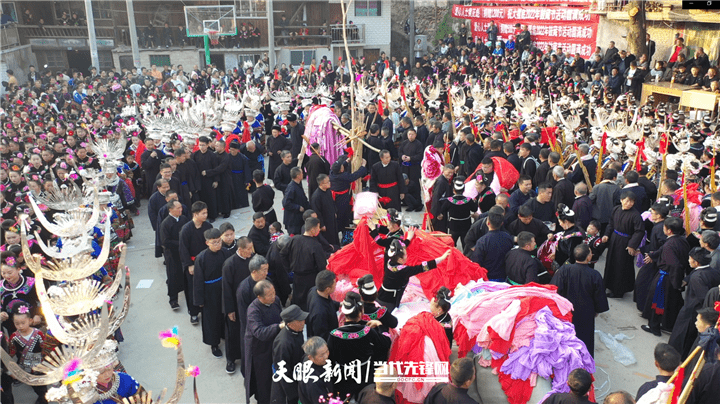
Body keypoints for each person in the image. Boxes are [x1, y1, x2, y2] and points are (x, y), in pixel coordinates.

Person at [328, 292, 392, 399]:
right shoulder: (368, 331)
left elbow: (330, 358)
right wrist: (380, 326)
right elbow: (386, 342)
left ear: (344, 313)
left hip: (343, 377)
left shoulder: (334, 334)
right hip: (364, 376)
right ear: (360, 312)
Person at [551, 244, 609, 357]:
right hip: (586, 313)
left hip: (566, 311)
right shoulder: (594, 275)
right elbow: (599, 297)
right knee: (584, 339)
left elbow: (555, 289)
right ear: (588, 258)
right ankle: (583, 362)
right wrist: (596, 310)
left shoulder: (565, 269)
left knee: (565, 337)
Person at [642, 217, 691, 336]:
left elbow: (674, 264)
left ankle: (654, 327)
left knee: (658, 301)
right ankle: (667, 325)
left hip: (666, 278)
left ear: (668, 230)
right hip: (674, 277)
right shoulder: (682, 240)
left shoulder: (670, 244)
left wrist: (676, 282)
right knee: (671, 302)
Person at [378, 231, 450, 311]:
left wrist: (409, 238)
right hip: (389, 301)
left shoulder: (390, 260)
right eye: (405, 255)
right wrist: (441, 258)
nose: (407, 256)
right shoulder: (402, 270)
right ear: (400, 259)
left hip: (383, 295)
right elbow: (422, 267)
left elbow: (402, 248)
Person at [668, 247, 720, 357]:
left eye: (689, 259)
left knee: (682, 337)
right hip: (699, 310)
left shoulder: (697, 277)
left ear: (696, 262)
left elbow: (703, 297)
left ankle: (678, 357)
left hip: (692, 310)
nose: (688, 260)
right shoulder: (713, 272)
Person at [244, 280, 283, 404]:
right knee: (264, 381)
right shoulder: (253, 310)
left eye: (273, 292)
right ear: (259, 297)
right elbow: (259, 332)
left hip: (275, 344)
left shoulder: (275, 301)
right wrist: (278, 327)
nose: (273, 296)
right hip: (260, 350)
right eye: (269, 295)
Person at [193, 228, 229, 358]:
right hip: (209, 292)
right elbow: (197, 281)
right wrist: (200, 300)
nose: (218, 245)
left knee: (223, 313)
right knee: (211, 318)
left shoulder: (225, 253)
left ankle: (223, 334)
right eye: (214, 242)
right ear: (207, 242)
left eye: (219, 241)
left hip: (223, 287)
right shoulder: (201, 258)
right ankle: (214, 344)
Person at [603, 191, 645, 298]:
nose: (629, 203)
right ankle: (608, 284)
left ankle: (618, 291)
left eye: (632, 201)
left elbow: (639, 231)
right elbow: (611, 223)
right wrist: (607, 235)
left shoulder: (635, 215)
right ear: (621, 200)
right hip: (614, 239)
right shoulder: (616, 209)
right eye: (627, 201)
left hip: (625, 242)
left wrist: (632, 245)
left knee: (621, 265)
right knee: (611, 262)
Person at [221, 236, 254, 374]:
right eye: (248, 249)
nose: (251, 251)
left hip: (250, 301)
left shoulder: (252, 260)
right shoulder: (230, 264)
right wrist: (229, 310)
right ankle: (231, 359)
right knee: (233, 332)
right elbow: (226, 289)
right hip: (234, 303)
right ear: (240, 249)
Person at [283, 217, 327, 310]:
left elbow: (283, 253)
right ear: (313, 229)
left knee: (298, 298)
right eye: (318, 228)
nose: (319, 230)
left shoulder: (294, 239)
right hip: (311, 278)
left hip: (297, 276)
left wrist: (288, 268)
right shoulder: (315, 245)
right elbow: (322, 266)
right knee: (310, 300)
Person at [7, 304, 48, 404]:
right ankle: (41, 396)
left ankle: (43, 398)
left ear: (30, 321)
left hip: (40, 365)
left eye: (23, 323)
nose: (20, 326)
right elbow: (12, 352)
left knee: (42, 385)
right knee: (33, 385)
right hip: (25, 367)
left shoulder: (38, 334)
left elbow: (45, 349)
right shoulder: (14, 337)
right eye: (17, 324)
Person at [635, 203, 669, 312]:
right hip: (653, 256)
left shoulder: (660, 228)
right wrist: (642, 250)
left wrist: (652, 256)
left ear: (659, 216)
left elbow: (663, 246)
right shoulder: (658, 226)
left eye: (653, 213)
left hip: (656, 261)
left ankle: (645, 307)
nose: (651, 215)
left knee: (644, 282)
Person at [270, 304, 307, 404]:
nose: (303, 323)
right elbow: (282, 372)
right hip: (288, 386)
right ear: (289, 324)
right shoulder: (283, 344)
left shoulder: (297, 331)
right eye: (299, 321)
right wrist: (295, 394)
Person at [160, 200, 189, 310]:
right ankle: (173, 300)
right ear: (170, 210)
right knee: (173, 276)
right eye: (178, 208)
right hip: (172, 254)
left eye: (181, 207)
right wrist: (180, 243)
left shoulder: (184, 219)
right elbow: (165, 241)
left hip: (183, 253)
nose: (180, 210)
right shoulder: (165, 224)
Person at [330, 154, 368, 239]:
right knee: (343, 216)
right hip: (342, 198)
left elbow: (341, 166)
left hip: (335, 198)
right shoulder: (343, 176)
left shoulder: (332, 173)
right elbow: (355, 175)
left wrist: (347, 161)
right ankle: (344, 236)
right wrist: (363, 166)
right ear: (340, 170)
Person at [472, 213, 514, 281]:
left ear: (488, 223)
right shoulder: (507, 238)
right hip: (504, 275)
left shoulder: (482, 241)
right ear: (502, 223)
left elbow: (476, 261)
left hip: (488, 277)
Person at [441, 177, 476, 248]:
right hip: (466, 226)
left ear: (454, 190)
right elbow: (474, 209)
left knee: (451, 246)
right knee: (465, 245)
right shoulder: (468, 200)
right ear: (463, 190)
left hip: (453, 226)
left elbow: (442, 210)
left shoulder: (449, 200)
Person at [306, 270, 340, 341]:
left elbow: (328, 302)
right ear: (327, 289)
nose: (335, 285)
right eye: (334, 283)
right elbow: (322, 337)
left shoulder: (314, 290)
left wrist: (340, 304)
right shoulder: (320, 313)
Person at [192, 136, 220, 221]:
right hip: (199, 180)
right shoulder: (195, 155)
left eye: (203, 145)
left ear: (207, 145)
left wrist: (216, 180)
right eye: (200, 145)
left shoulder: (212, 155)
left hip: (209, 180)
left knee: (211, 198)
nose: (201, 147)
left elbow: (216, 168)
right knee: (201, 198)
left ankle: (212, 215)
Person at [298, 337, 332, 404]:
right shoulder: (312, 382)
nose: (326, 356)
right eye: (321, 355)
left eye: (327, 351)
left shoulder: (314, 361)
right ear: (311, 357)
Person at [590, 169, 621, 234]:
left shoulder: (597, 187)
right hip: (609, 217)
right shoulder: (617, 189)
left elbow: (590, 200)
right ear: (614, 178)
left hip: (596, 216)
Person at [311, 174, 339, 246]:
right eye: (327, 182)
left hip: (332, 218)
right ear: (321, 184)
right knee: (329, 238)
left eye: (329, 181)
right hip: (325, 221)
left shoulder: (328, 190)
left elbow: (332, 202)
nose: (329, 183)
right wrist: (322, 225)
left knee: (335, 235)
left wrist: (334, 211)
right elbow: (317, 212)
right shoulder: (316, 196)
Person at [283, 167, 310, 235]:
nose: (303, 174)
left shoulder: (298, 184)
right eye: (302, 173)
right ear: (298, 176)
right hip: (293, 221)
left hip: (298, 218)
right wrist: (298, 207)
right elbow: (286, 203)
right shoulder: (292, 188)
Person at [228, 141, 251, 209]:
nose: (232, 151)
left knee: (241, 191)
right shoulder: (227, 156)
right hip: (231, 176)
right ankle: (234, 205)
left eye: (234, 150)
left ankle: (242, 204)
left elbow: (247, 169)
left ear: (237, 150)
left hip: (240, 176)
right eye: (231, 150)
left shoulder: (243, 158)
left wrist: (247, 180)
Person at [431, 164, 454, 233]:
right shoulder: (441, 182)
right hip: (439, 210)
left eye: (452, 173)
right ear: (444, 170)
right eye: (448, 172)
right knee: (440, 231)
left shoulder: (445, 181)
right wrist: (438, 213)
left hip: (443, 209)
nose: (450, 174)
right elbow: (436, 197)